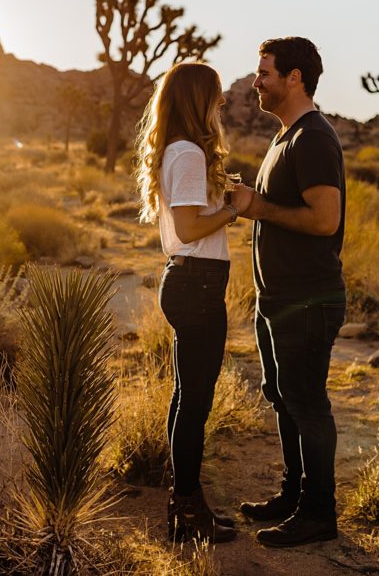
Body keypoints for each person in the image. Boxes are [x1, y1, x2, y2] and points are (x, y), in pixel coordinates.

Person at [233, 37, 346, 548]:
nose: (256, 82)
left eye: (264, 73)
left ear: (294, 78)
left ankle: (319, 513)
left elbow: (325, 220)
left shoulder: (313, 138)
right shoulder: (285, 136)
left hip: (307, 299)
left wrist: (258, 208)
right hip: (277, 298)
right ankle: (294, 494)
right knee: (283, 398)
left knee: (307, 403)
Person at [134, 61, 251, 543]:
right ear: (197, 99)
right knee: (195, 402)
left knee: (187, 398)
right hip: (197, 286)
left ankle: (186, 506)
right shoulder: (186, 154)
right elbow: (187, 230)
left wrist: (221, 199)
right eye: (215, 93)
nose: (221, 102)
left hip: (192, 284)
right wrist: (233, 209)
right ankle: (187, 511)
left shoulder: (180, 151)